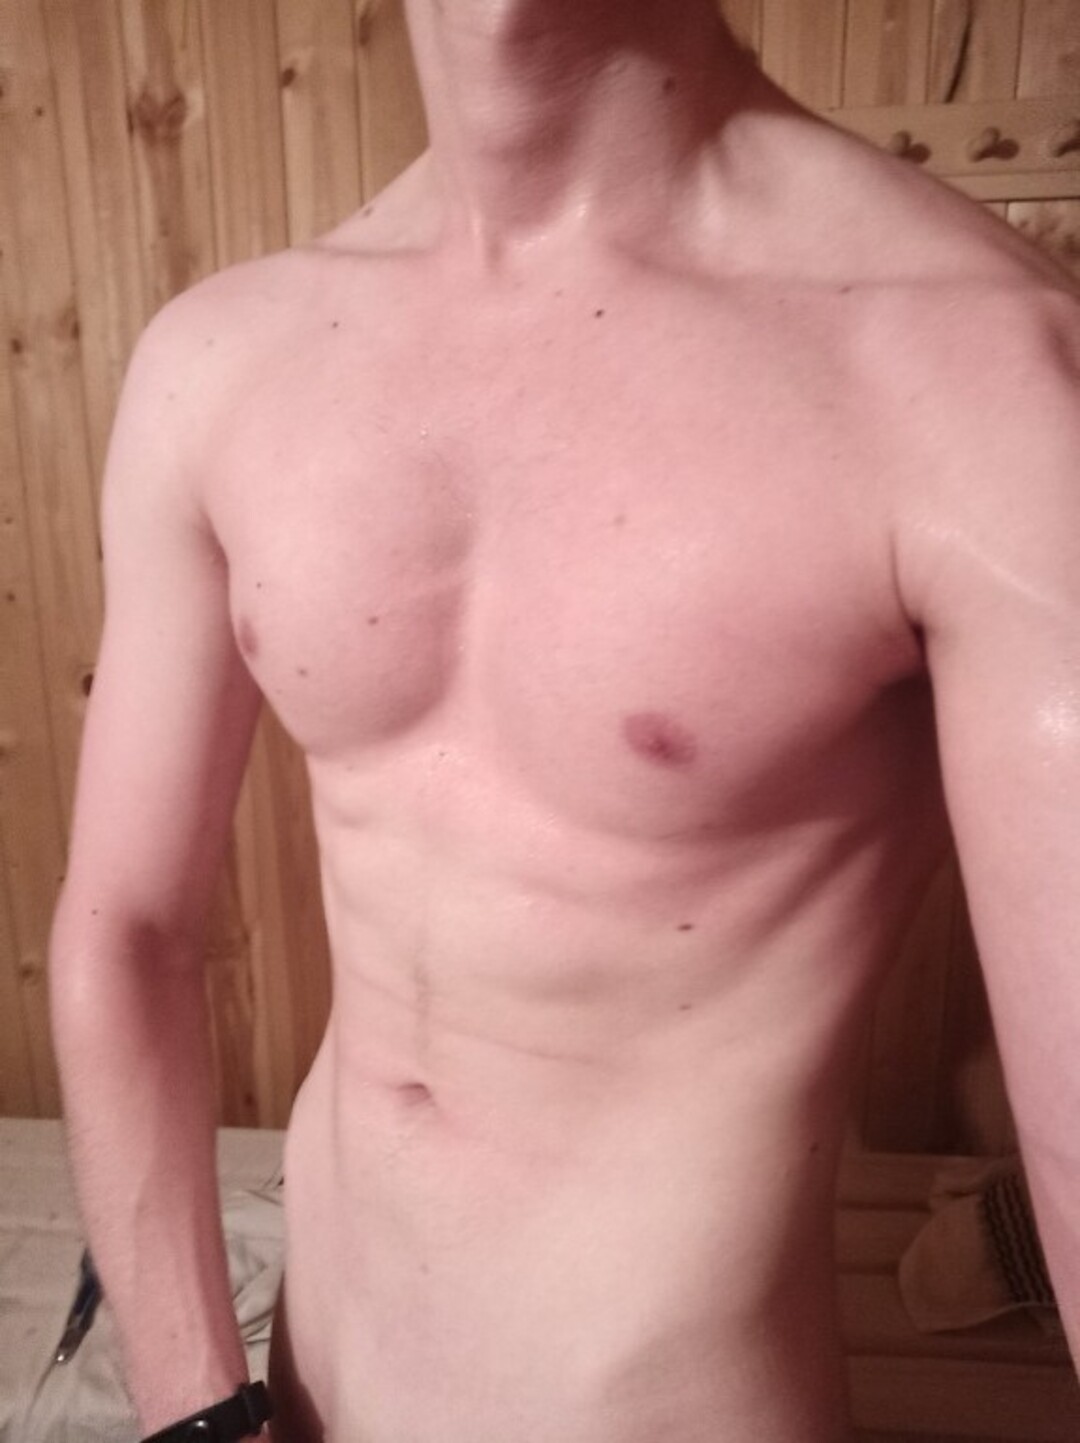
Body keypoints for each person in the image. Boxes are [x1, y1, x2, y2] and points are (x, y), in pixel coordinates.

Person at [48, 1, 1080, 1440]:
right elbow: (127, 931)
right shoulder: (221, 359)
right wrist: (194, 1409)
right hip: (298, 1397)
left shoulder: (979, 380)